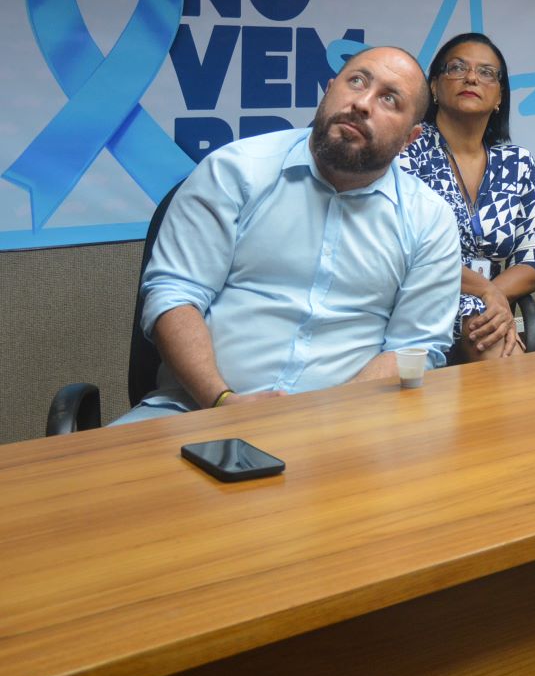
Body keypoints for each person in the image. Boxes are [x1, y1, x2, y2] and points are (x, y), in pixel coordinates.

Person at [115, 46, 460, 424]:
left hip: (349, 426)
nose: (362, 104)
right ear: (329, 90)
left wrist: (325, 420)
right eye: (357, 82)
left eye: (389, 99)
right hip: (194, 410)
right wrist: (222, 401)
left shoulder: (429, 219)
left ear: (410, 138)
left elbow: (414, 346)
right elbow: (175, 295)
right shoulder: (235, 171)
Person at [400, 33, 535, 360]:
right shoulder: (407, 151)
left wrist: (490, 299)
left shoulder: (517, 163)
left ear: (499, 97)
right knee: (489, 333)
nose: (471, 78)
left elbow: (531, 263)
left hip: (485, 313)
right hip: (418, 300)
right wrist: (486, 294)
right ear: (434, 87)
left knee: (484, 326)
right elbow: (407, 253)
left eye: (486, 73)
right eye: (457, 68)